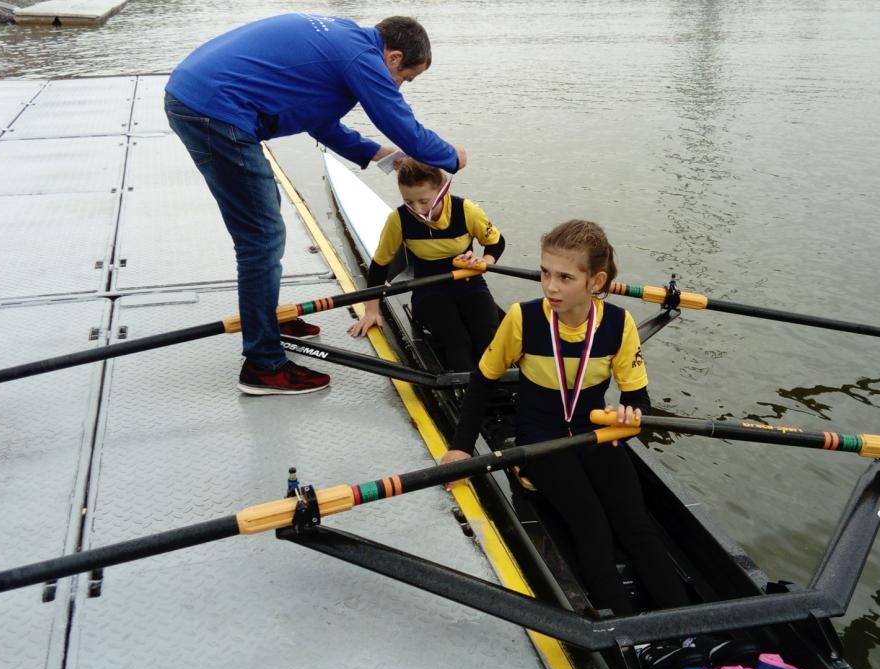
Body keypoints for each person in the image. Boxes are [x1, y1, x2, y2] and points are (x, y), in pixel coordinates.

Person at [164, 14, 468, 395]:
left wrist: (379, 155)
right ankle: (263, 365)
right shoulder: (362, 57)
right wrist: (451, 157)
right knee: (261, 237)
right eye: (406, 78)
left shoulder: (345, 40)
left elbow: (320, 121)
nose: (400, 85)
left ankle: (264, 321)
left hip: (200, 97)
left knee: (264, 222)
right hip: (214, 111)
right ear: (393, 57)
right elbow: (402, 124)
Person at [441, 220, 690, 616]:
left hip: (596, 434)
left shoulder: (619, 324)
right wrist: (460, 448)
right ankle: (623, 629)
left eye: (565, 277)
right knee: (591, 523)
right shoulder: (523, 318)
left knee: (636, 526)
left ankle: (687, 624)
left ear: (597, 281)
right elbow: (482, 382)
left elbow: (637, 398)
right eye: (545, 273)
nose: (550, 287)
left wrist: (630, 416)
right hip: (541, 438)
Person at [348, 159, 504, 371]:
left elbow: (496, 243)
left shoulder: (467, 210)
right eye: (409, 202)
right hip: (428, 289)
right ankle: (463, 386)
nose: (417, 210)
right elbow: (380, 265)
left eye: (424, 201)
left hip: (470, 284)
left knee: (488, 338)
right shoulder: (398, 220)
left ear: (442, 191)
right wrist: (372, 310)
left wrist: (484, 262)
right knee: (457, 341)